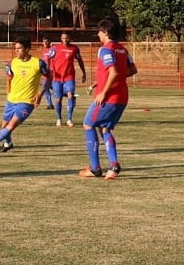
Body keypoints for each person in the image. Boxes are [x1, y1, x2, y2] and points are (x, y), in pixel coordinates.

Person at [79, 18, 137, 180]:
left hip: (109, 97)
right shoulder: (122, 50)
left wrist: (103, 91)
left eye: (99, 31)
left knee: (88, 124)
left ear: (105, 33)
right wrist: (116, 78)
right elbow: (132, 69)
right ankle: (114, 165)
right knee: (104, 129)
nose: (98, 34)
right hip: (122, 97)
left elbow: (113, 72)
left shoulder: (105, 50)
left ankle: (95, 168)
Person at [0, 35, 50, 157]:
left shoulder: (38, 63)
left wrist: (40, 94)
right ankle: (8, 144)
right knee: (3, 126)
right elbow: (9, 79)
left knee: (10, 127)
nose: (16, 51)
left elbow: (49, 77)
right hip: (12, 100)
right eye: (15, 48)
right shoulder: (12, 63)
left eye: (19, 48)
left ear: (27, 49)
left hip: (26, 102)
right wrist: (8, 94)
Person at [49, 31, 86, 127]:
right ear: (61, 39)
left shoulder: (74, 48)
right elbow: (48, 59)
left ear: (70, 38)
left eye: (67, 38)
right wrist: (50, 70)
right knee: (58, 99)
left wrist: (84, 73)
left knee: (70, 95)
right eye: (64, 38)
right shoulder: (55, 48)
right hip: (57, 78)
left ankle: (69, 118)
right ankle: (59, 118)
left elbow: (80, 60)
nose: (66, 40)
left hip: (69, 77)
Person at [40, 35, 55, 109]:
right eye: (43, 42)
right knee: (45, 88)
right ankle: (50, 104)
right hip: (45, 74)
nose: (45, 43)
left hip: (52, 73)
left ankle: (69, 95)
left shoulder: (53, 50)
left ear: (50, 42)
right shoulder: (43, 51)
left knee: (55, 88)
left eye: (46, 42)